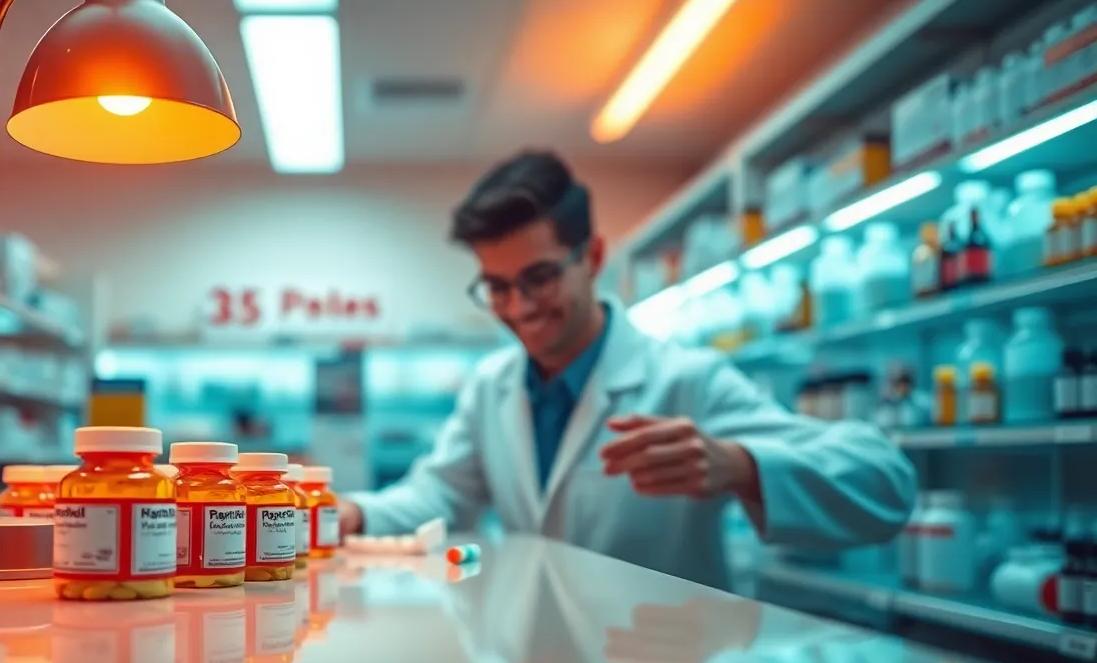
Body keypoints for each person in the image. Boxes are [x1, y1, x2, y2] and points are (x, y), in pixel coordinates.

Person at [339, 150, 916, 590]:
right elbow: (440, 494)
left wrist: (738, 466)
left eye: (538, 278)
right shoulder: (493, 387)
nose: (518, 307)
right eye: (497, 287)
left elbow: (885, 482)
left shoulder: (686, 380)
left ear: (590, 258)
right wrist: (353, 512)